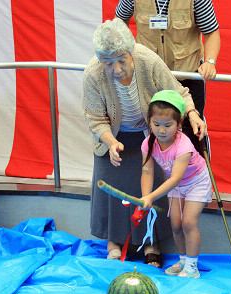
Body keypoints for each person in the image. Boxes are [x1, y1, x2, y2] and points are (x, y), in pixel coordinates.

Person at [82, 18, 206, 268]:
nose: (116, 69)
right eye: (108, 63)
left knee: (150, 191)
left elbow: (178, 91)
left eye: (121, 60)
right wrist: (110, 141)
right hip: (113, 138)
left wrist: (193, 113)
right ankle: (113, 244)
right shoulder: (93, 74)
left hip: (149, 137)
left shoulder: (147, 60)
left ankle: (151, 243)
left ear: (131, 52)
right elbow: (94, 118)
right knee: (114, 194)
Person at [115, 0, 220, 154]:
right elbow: (118, 23)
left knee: (192, 131)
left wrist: (210, 62)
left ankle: (197, 175)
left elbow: (211, 33)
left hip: (187, 77)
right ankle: (157, 176)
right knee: (151, 130)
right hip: (148, 78)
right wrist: (127, 49)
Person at [139, 90, 212, 278]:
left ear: (179, 123)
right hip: (177, 187)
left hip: (196, 182)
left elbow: (175, 178)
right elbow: (147, 171)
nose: (161, 130)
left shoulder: (184, 145)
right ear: (149, 122)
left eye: (168, 125)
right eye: (156, 124)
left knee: (188, 223)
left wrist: (152, 196)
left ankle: (192, 266)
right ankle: (183, 261)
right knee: (176, 225)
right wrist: (145, 198)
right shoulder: (148, 143)